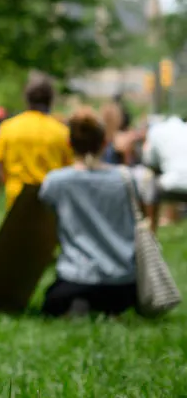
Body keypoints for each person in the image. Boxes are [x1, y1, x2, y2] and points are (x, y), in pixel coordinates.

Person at [38, 107, 146, 317]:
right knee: (113, 297)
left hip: (77, 277)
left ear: (69, 144)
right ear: (104, 143)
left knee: (54, 299)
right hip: (123, 281)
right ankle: (110, 309)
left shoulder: (57, 181)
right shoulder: (126, 178)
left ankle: (81, 305)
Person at [0, 73, 73, 210]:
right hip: (50, 199)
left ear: (26, 98)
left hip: (16, 198)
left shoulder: (8, 127)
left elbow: (1, 168)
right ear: (51, 100)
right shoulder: (62, 131)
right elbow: (68, 168)